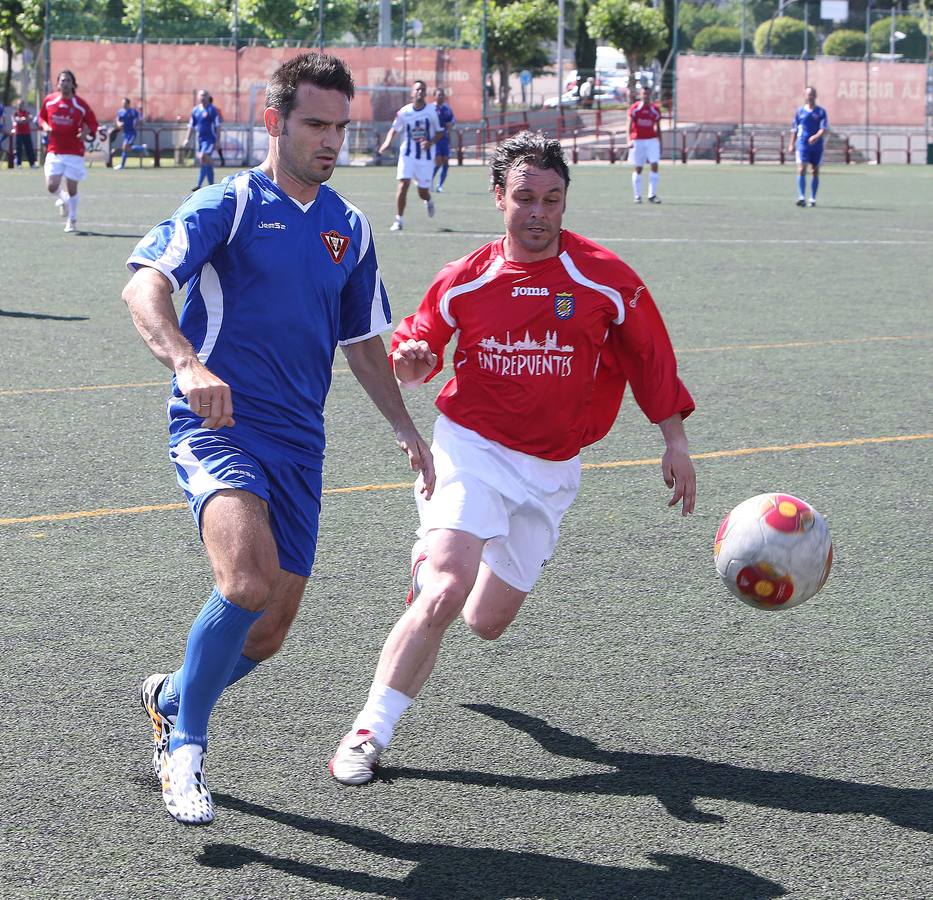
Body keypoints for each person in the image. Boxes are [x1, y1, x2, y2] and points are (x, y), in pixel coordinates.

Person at [123, 51, 435, 826]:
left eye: (340, 127)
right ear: (275, 121)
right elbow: (143, 284)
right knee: (246, 581)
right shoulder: (227, 204)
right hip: (219, 425)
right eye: (315, 124)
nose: (331, 141)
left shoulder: (348, 227)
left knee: (267, 632)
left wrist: (403, 425)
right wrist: (188, 364)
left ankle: (170, 697)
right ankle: (185, 749)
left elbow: (361, 340)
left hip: (301, 442)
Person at [329, 130, 696, 786]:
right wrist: (412, 360)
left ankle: (433, 572)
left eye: (551, 199)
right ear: (499, 197)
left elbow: (649, 356)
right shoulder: (465, 278)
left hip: (552, 469)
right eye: (524, 197)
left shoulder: (604, 278)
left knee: (485, 621)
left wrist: (675, 440)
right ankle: (368, 732)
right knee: (447, 588)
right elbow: (416, 350)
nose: (538, 212)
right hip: (471, 448)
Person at [38, 70, 99, 233]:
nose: (65, 83)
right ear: (58, 84)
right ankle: (64, 199)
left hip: (74, 152)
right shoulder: (49, 101)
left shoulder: (80, 105)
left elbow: (93, 123)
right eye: (62, 80)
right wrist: (45, 126)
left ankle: (72, 219)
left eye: (68, 81)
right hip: (54, 150)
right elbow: (41, 117)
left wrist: (86, 132)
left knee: (72, 188)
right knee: (51, 186)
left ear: (73, 84)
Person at [378, 79, 442, 231]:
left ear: (425, 93)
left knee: (422, 192)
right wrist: (387, 142)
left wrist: (430, 143)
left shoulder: (432, 111)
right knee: (403, 184)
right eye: (417, 89)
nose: (420, 92)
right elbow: (394, 129)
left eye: (423, 89)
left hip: (425, 158)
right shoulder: (404, 112)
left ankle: (428, 200)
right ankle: (398, 220)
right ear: (412, 93)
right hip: (407, 155)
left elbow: (440, 132)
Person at [789, 86, 828, 208]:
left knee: (815, 171)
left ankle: (812, 198)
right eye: (808, 94)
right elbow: (794, 129)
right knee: (801, 169)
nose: (810, 96)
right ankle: (801, 197)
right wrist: (791, 144)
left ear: (815, 96)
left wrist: (815, 137)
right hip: (803, 144)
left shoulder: (821, 112)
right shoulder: (800, 111)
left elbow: (823, 129)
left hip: (817, 146)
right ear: (805, 96)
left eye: (812, 94)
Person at [627, 84, 663, 204]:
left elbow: (658, 127)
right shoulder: (635, 108)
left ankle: (652, 195)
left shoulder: (655, 109)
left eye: (648, 94)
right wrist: (629, 140)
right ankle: (637, 195)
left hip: (652, 140)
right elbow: (629, 125)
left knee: (654, 165)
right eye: (644, 94)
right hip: (638, 140)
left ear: (651, 95)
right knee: (638, 168)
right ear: (641, 95)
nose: (646, 96)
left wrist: (660, 142)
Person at [183, 89, 223, 191]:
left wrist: (218, 141)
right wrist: (187, 139)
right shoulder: (195, 110)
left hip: (210, 139)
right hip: (200, 140)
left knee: (203, 156)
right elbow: (191, 126)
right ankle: (211, 185)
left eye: (205, 95)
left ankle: (200, 184)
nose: (202, 97)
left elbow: (218, 126)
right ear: (198, 97)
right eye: (201, 95)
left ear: (208, 97)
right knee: (204, 162)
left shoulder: (212, 110)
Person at [430, 87, 456, 193]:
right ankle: (429, 181)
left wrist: (451, 123)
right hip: (435, 139)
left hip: (444, 139)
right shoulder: (430, 108)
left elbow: (453, 119)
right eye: (438, 95)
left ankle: (439, 185)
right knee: (438, 162)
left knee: (445, 162)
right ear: (434, 96)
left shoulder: (447, 108)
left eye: (442, 95)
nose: (441, 96)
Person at [113, 97, 144, 170]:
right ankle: (142, 148)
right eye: (122, 103)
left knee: (125, 147)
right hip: (125, 133)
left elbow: (140, 119)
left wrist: (137, 121)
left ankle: (122, 165)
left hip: (132, 132)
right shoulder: (120, 112)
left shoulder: (133, 111)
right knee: (127, 148)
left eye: (125, 103)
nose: (123, 104)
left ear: (128, 104)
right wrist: (119, 123)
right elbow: (117, 120)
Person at [13, 99, 37, 168]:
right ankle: (19, 164)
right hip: (18, 133)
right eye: (19, 104)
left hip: (26, 133)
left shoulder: (27, 112)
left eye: (22, 104)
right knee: (19, 149)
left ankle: (32, 164)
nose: (20, 106)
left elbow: (31, 118)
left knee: (29, 148)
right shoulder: (16, 113)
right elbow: (17, 120)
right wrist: (23, 120)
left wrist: (25, 120)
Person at [207, 95, 226, 166]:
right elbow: (221, 119)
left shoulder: (213, 110)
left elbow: (220, 119)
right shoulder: (206, 109)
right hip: (211, 131)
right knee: (216, 145)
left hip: (213, 131)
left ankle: (219, 160)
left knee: (216, 145)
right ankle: (221, 160)